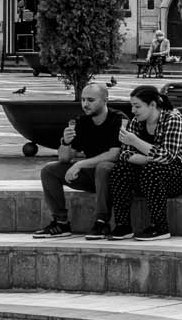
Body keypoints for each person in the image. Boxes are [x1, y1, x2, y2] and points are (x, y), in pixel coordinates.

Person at [98, 84, 182, 242]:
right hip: (152, 169)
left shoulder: (174, 119)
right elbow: (125, 154)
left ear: (152, 105)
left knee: (152, 170)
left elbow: (166, 156)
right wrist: (148, 158)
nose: (133, 111)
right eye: (132, 106)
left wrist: (135, 141)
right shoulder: (136, 122)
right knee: (120, 170)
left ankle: (160, 227)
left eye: (137, 106)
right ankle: (123, 226)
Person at [33, 79, 125, 239]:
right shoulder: (82, 121)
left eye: (90, 100)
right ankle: (61, 223)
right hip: (91, 175)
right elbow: (64, 158)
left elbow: (114, 154)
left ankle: (102, 222)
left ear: (105, 100)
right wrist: (65, 142)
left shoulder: (117, 119)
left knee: (103, 167)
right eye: (83, 100)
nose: (85, 104)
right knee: (49, 170)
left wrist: (80, 164)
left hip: (114, 176)